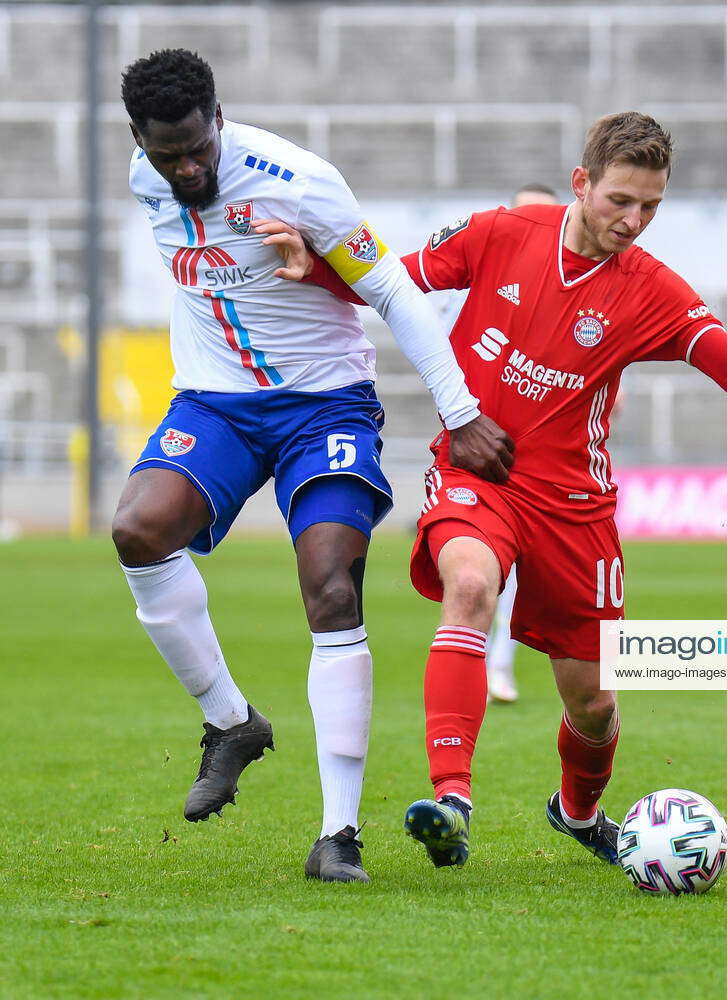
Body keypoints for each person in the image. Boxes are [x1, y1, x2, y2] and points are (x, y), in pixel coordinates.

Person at [257, 111, 727, 871]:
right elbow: (390, 282)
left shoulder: (652, 291)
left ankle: (577, 814)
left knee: (593, 702)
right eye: (620, 201)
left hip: (576, 508)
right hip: (481, 475)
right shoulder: (501, 233)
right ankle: (453, 802)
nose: (634, 221)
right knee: (470, 587)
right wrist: (312, 267)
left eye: (650, 207)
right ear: (581, 184)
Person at [111, 48, 511, 884]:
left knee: (331, 586)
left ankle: (338, 835)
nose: (185, 167)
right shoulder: (144, 179)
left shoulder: (299, 179)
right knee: (137, 530)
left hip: (324, 404)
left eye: (196, 147)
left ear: (218, 120)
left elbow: (394, 289)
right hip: (215, 405)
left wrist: (461, 411)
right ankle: (232, 724)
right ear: (139, 142)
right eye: (164, 152)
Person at [485, 183, 561, 704]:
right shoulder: (478, 278)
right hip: (479, 457)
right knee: (477, 574)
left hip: (548, 462)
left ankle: (499, 666)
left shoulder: (568, 289)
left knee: (516, 576)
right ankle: (486, 666)